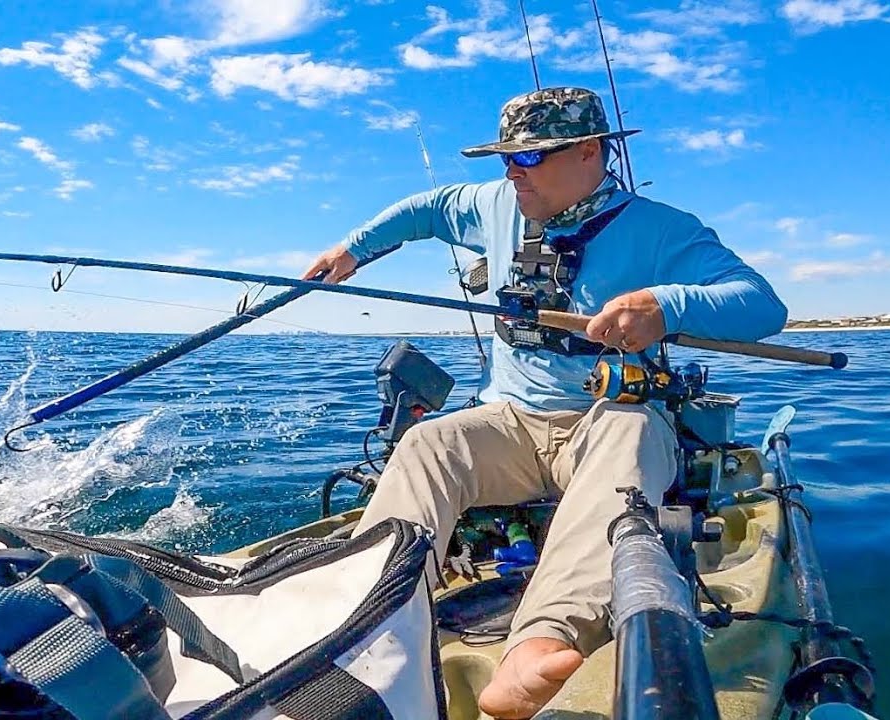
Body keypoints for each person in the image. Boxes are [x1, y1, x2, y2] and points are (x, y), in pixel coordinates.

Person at [301, 87, 787, 719]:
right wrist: (353, 249)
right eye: (506, 158)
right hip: (509, 417)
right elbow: (421, 210)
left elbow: (762, 304)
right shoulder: (490, 204)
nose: (511, 171)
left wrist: (667, 307)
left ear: (588, 152)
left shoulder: (665, 230)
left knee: (632, 433)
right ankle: (366, 618)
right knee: (428, 442)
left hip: (606, 418)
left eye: (528, 157)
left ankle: (542, 640)